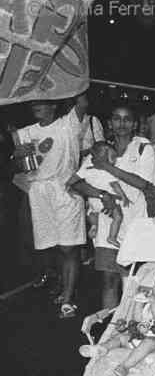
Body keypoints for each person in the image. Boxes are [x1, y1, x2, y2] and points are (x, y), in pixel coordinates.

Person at [69, 103, 155, 309]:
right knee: (108, 280)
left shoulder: (143, 147)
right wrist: (102, 195)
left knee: (132, 282)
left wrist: (107, 167)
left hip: (134, 223)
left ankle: (129, 329)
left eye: (127, 119)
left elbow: (143, 183)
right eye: (117, 118)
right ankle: (109, 331)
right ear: (110, 123)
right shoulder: (100, 149)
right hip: (106, 223)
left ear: (134, 124)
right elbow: (76, 182)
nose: (122, 123)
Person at [13, 100, 85, 318]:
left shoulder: (68, 124)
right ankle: (64, 281)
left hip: (65, 190)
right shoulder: (25, 132)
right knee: (52, 245)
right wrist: (19, 156)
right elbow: (24, 168)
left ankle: (68, 297)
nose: (36, 106)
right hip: (40, 193)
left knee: (68, 248)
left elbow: (81, 99)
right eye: (34, 103)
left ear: (54, 105)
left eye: (42, 103)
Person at [79, 265, 155, 376]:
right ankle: (101, 348)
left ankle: (124, 367)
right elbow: (137, 319)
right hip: (137, 337)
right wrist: (139, 303)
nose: (154, 287)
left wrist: (154, 302)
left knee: (148, 342)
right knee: (121, 337)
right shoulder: (149, 303)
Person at [73, 142, 130, 248]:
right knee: (118, 217)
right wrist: (124, 197)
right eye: (113, 157)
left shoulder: (87, 169)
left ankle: (94, 225)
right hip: (106, 201)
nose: (115, 160)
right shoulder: (108, 172)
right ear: (103, 158)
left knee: (93, 213)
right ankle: (112, 237)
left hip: (93, 200)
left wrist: (67, 186)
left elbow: (74, 179)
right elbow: (115, 186)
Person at [66, 91, 104, 157]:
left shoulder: (93, 120)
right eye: (82, 95)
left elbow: (101, 145)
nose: (85, 96)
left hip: (89, 162)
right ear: (75, 100)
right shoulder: (65, 122)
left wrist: (89, 151)